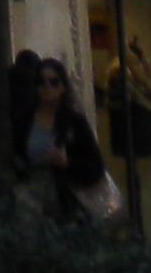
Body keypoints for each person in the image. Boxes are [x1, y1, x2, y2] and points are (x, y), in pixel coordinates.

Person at [8, 53, 109, 221]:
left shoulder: (74, 123)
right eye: (41, 82)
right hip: (31, 206)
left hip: (68, 208)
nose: (47, 87)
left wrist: (66, 163)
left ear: (63, 88)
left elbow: (96, 168)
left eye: (54, 82)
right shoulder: (24, 121)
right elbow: (15, 158)